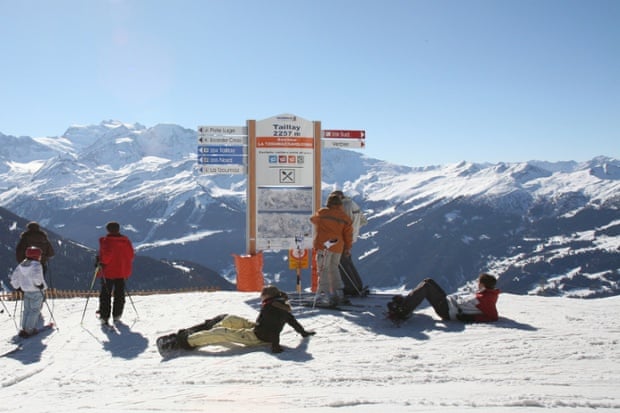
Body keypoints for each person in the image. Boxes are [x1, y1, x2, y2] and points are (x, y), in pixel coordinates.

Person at [156, 286, 315, 355]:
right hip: (259, 328)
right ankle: (207, 329)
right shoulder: (280, 306)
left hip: (258, 336)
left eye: (263, 297)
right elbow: (293, 322)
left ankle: (183, 342)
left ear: (268, 297)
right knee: (231, 319)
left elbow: (273, 330)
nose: (261, 299)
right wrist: (303, 333)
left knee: (220, 333)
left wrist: (275, 346)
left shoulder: (271, 309)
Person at [387, 273, 500, 323]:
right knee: (428, 281)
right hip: (450, 303)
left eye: (479, 282)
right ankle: (407, 303)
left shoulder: (486, 298)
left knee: (426, 287)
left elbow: (493, 316)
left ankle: (403, 312)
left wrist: (470, 319)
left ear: (483, 284)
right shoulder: (486, 294)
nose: (477, 284)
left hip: (448, 311)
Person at [310, 193, 353, 306]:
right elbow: (348, 235)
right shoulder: (344, 217)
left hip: (324, 246)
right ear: (340, 204)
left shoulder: (322, 212)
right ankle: (339, 293)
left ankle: (325, 295)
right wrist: (347, 248)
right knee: (334, 268)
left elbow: (313, 220)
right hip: (338, 247)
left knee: (323, 269)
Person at [330, 190, 368, 296]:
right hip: (350, 238)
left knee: (342, 263)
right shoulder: (352, 203)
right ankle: (357, 285)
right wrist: (354, 230)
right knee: (347, 261)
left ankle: (351, 288)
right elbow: (364, 221)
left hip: (342, 238)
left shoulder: (343, 206)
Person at [96, 221, 134, 325]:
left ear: (108, 230)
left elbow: (106, 257)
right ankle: (117, 315)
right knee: (120, 294)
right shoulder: (126, 241)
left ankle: (104, 316)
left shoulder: (107, 241)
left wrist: (100, 261)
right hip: (122, 271)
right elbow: (131, 255)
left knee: (105, 295)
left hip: (108, 272)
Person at [10, 246, 48, 338]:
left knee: (27, 310)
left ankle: (24, 328)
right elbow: (37, 277)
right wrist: (39, 284)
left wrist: (17, 286)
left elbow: (14, 278)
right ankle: (29, 330)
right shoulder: (36, 265)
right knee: (34, 310)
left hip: (26, 291)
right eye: (39, 255)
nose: (40, 257)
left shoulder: (21, 265)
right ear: (36, 256)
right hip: (36, 291)